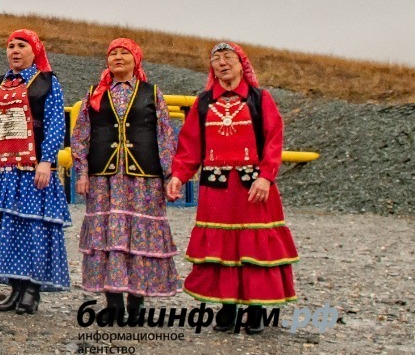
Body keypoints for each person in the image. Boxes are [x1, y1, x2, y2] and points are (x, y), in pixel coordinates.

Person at [165, 43, 298, 333]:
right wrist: (178, 176)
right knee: (221, 249)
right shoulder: (203, 103)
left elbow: (274, 139)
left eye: (228, 58)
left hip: (254, 189)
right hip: (217, 190)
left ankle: (256, 310)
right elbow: (189, 147)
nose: (222, 63)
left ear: (242, 64)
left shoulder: (260, 99)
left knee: (254, 247)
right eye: (216, 59)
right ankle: (226, 308)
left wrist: (266, 176)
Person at [70, 38, 179, 324]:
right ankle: (113, 302)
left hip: (142, 179)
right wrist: (81, 172)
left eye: (124, 53)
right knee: (109, 238)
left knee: (137, 237)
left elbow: (165, 135)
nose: (118, 58)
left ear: (136, 60)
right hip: (104, 179)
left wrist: (171, 176)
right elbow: (81, 135)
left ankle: (137, 302)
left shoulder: (152, 93)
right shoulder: (94, 94)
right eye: (113, 54)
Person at [0, 30, 71, 315]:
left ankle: (32, 290)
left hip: (31, 169)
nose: (15, 51)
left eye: (22, 46)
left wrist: (47, 161)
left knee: (33, 228)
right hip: (2, 170)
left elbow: (56, 123)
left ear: (34, 51)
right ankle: (16, 287)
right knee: (9, 227)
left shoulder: (46, 82)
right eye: (10, 46)